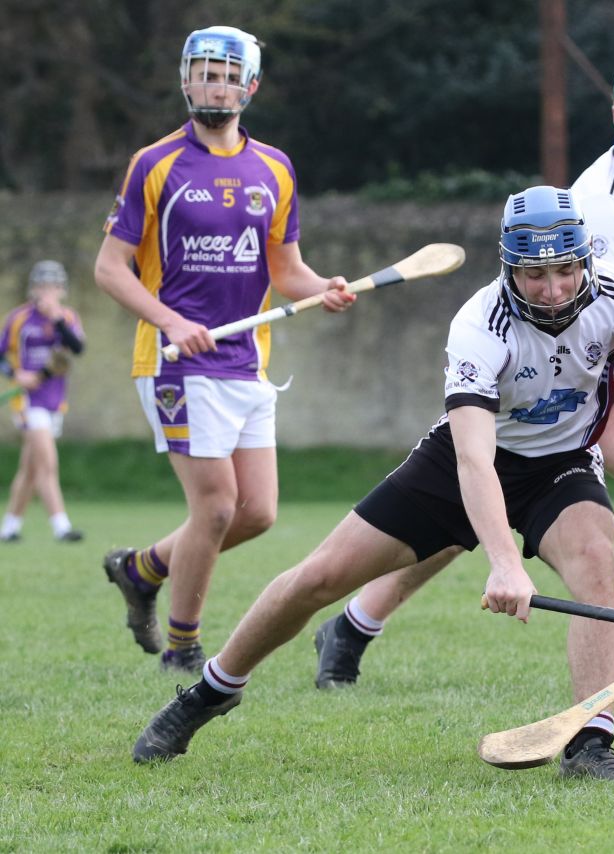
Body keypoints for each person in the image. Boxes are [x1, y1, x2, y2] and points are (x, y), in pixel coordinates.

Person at [131, 186, 614, 781]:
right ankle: (212, 690)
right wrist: (504, 562)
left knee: (597, 563)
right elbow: (475, 461)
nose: (552, 289)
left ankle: (590, 745)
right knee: (318, 577)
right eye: (534, 274)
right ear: (510, 267)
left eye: (562, 270)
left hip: (561, 464)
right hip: (462, 461)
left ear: (583, 258)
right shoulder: (481, 324)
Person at [310, 54, 614, 689]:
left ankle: (354, 624)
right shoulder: (598, 202)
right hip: (579, 370)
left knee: (466, 526)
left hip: (609, 368)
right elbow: (587, 292)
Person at [94, 26, 353, 674]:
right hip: (177, 362)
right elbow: (110, 268)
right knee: (213, 507)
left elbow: (287, 269)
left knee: (257, 512)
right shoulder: (155, 163)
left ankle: (141, 568)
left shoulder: (274, 167)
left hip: (245, 360)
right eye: (203, 71)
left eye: (226, 73)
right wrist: (170, 322)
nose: (214, 83)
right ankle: (182, 648)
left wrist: (326, 288)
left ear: (251, 86)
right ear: (184, 79)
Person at [1, 260, 86, 543]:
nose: (46, 292)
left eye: (53, 286)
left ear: (62, 290)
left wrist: (58, 319)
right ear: (32, 290)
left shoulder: (68, 318)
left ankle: (9, 527)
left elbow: (77, 348)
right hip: (26, 400)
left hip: (55, 399)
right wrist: (17, 374)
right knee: (47, 463)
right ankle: (61, 526)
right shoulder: (18, 319)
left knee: (30, 469)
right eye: (41, 286)